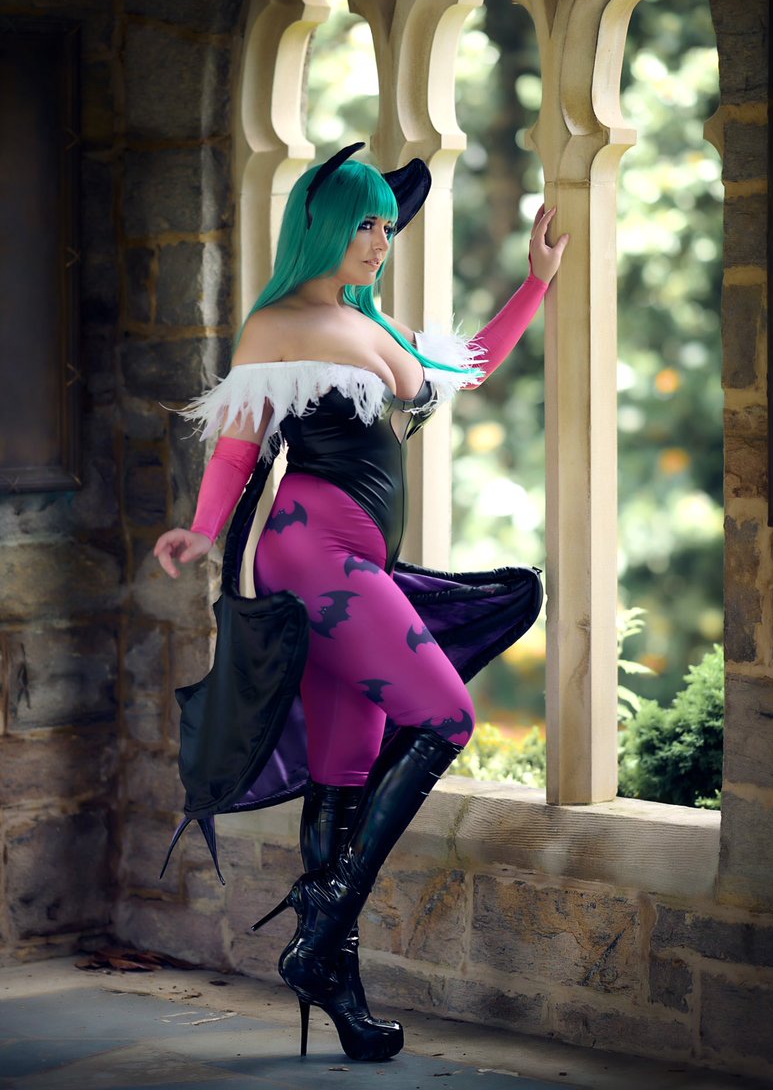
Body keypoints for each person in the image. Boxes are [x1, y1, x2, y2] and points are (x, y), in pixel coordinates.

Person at [153, 143, 568, 1062]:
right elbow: (237, 448)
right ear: (322, 227)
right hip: (311, 553)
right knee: (446, 717)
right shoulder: (278, 324)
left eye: (387, 225)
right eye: (364, 224)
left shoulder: (368, 322)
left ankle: (329, 974)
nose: (380, 241)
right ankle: (329, 907)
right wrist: (201, 530)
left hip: (355, 561)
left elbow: (467, 369)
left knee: (344, 766)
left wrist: (535, 285)